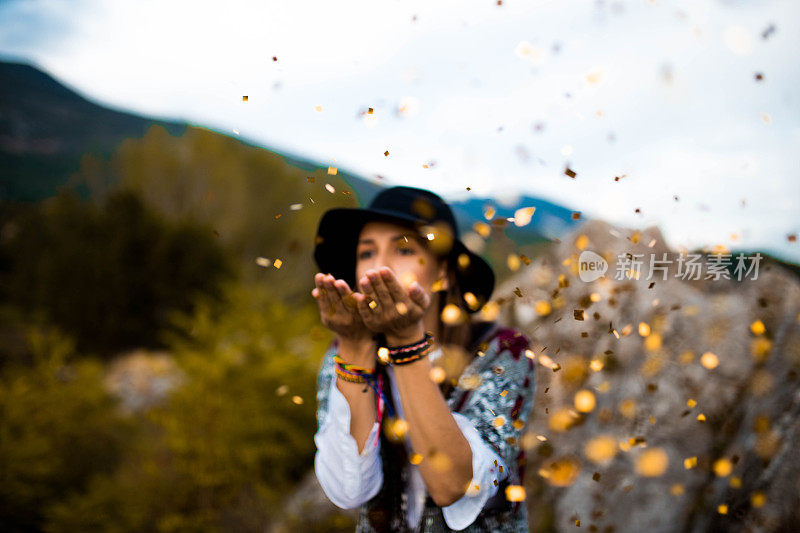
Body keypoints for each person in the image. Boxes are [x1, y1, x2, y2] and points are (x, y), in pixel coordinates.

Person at [311, 186, 536, 532]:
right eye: (366, 253)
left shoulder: (503, 352)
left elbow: (454, 485)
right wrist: (355, 350)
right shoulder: (341, 353)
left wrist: (406, 342)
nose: (380, 266)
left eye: (403, 249)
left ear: (443, 272)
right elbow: (347, 490)